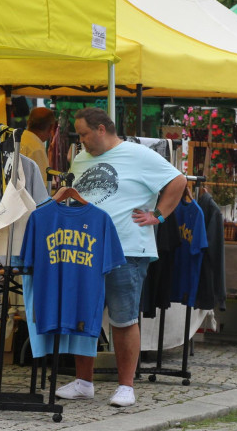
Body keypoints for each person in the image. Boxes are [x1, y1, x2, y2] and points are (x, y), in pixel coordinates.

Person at [55, 107, 186, 408]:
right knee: (83, 315)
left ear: (102, 129)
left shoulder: (138, 155)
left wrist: (159, 216)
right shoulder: (81, 158)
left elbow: (177, 181)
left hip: (127, 247)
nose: (81, 140)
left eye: (85, 134)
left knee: (124, 318)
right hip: (85, 246)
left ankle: (126, 385)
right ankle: (83, 382)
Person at [19, 106, 57, 182]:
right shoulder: (36, 148)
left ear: (28, 122)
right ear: (51, 128)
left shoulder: (16, 139)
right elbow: (43, 183)